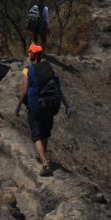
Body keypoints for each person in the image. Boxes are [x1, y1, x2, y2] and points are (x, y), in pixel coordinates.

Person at [16, 44, 70, 176]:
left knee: (36, 135)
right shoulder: (48, 68)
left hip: (37, 108)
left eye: (29, 53)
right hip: (51, 106)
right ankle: (43, 157)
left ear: (33, 55)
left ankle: (45, 163)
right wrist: (67, 105)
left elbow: (24, 92)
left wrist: (18, 106)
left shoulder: (27, 71)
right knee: (45, 133)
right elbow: (58, 88)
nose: (28, 55)